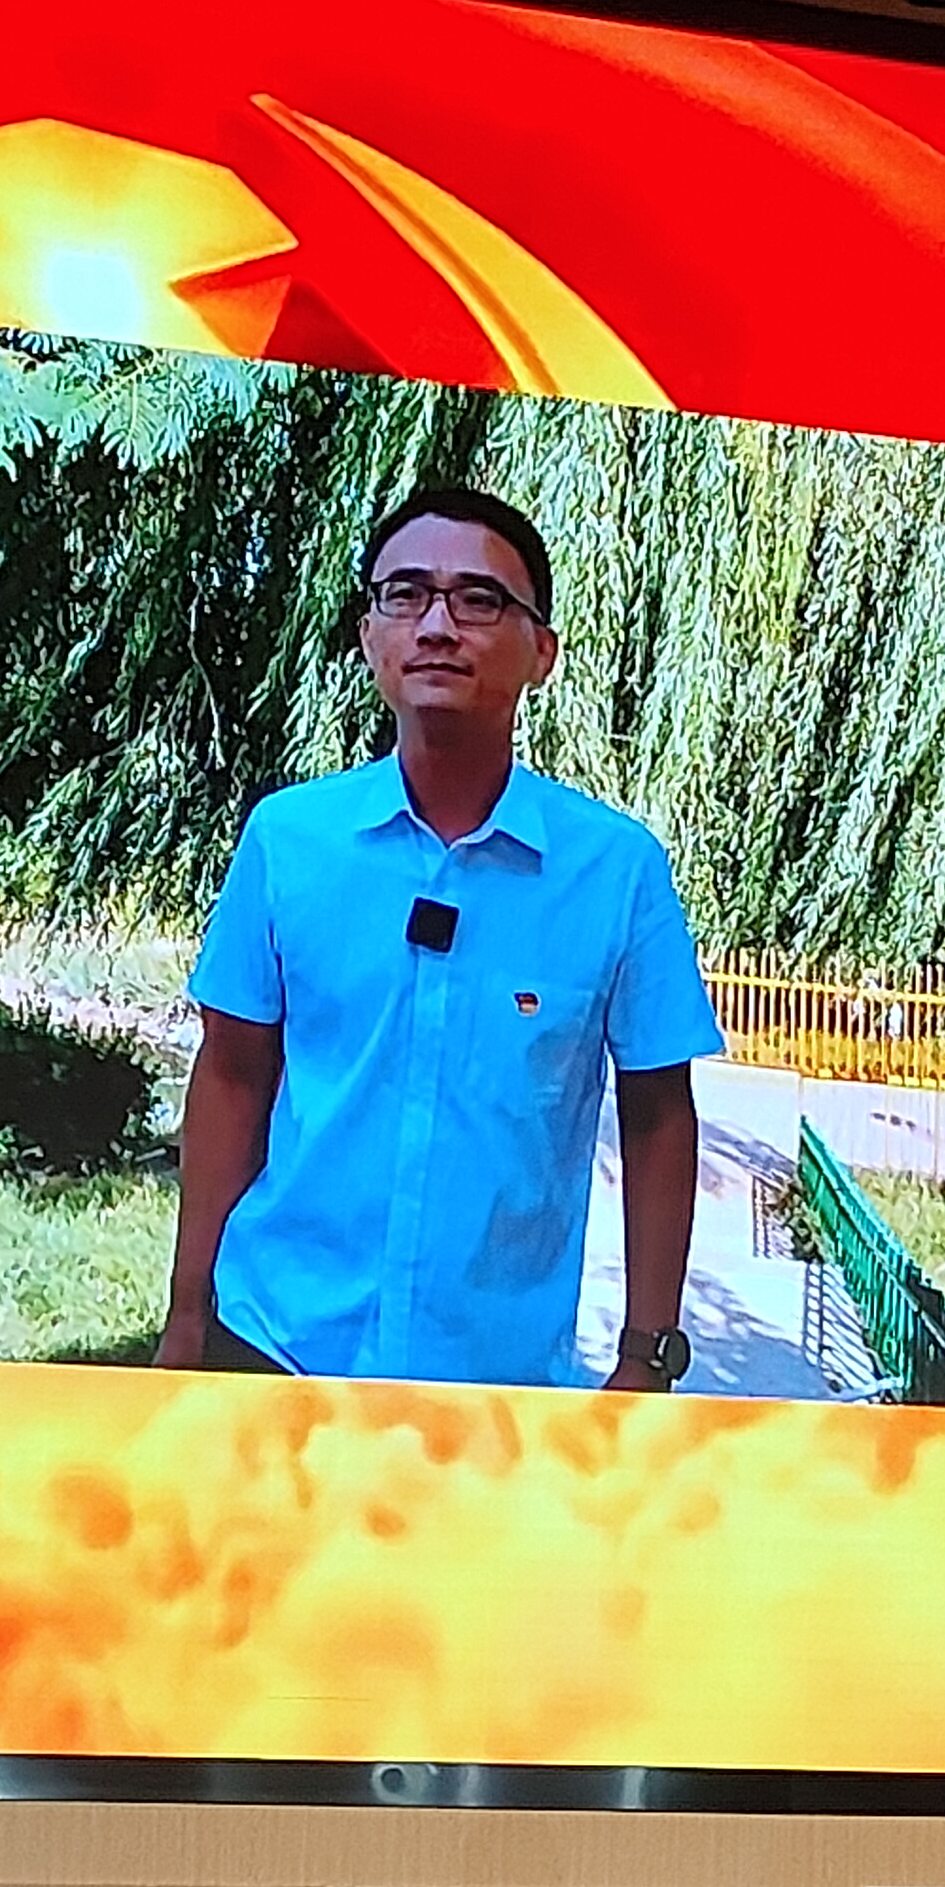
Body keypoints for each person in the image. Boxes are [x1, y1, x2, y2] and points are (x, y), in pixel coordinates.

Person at [158, 483, 722, 1393]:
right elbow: (232, 1074)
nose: (436, 625)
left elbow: (658, 1112)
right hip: (273, 1345)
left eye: (479, 599)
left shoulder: (616, 873)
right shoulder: (288, 841)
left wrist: (646, 1354)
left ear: (541, 653)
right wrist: (188, 1314)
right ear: (369, 636)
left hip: (493, 1384)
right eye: (406, 593)